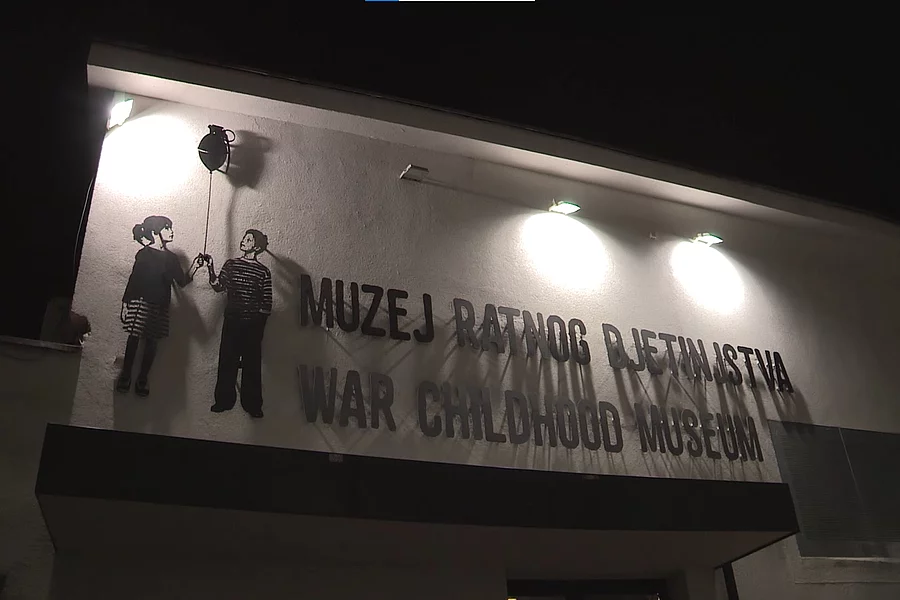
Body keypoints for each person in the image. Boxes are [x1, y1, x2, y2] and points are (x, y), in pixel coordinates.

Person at [117, 216, 203, 396]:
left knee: (152, 342)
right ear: (156, 231)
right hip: (141, 301)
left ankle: (142, 378)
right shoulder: (144, 253)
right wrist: (126, 303)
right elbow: (134, 278)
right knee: (133, 338)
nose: (171, 231)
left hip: (160, 305)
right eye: (167, 228)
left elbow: (181, 281)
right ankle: (126, 374)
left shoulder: (171, 259)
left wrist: (195, 266)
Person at [204, 229, 272, 418]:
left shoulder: (263, 272)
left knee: (252, 364)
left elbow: (267, 302)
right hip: (232, 321)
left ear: (256, 247)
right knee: (227, 361)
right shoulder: (231, 265)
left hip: (252, 325)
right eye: (244, 238)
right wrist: (210, 267)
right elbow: (219, 286)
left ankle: (253, 405)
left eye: (249, 239)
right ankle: (223, 400)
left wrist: (259, 328)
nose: (244, 241)